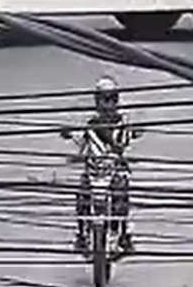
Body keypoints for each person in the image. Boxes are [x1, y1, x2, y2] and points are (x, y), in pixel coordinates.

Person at [71, 76, 137, 256]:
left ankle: (124, 235)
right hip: (93, 171)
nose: (107, 105)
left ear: (116, 101)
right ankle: (82, 235)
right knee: (81, 197)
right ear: (97, 102)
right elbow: (83, 145)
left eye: (111, 100)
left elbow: (124, 144)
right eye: (102, 100)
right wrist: (73, 149)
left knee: (122, 197)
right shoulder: (90, 125)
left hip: (115, 170)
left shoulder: (123, 124)